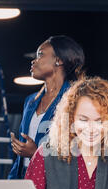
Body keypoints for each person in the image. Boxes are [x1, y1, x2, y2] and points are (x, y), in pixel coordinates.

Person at [8, 35, 85, 179]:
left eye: (40, 55)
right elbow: (19, 159)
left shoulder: (75, 101)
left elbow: (77, 153)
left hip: (55, 183)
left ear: (59, 60)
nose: (34, 60)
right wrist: (12, 181)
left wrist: (36, 153)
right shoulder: (30, 101)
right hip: (24, 178)